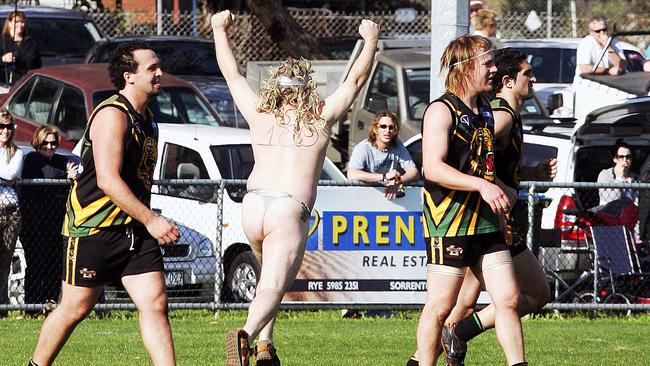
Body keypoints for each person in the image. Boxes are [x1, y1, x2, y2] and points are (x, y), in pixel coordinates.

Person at [212, 10, 378, 366]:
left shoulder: (259, 113)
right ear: (307, 88)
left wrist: (218, 29)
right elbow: (355, 80)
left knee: (266, 281)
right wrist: (371, 41)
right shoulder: (319, 116)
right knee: (274, 285)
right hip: (289, 207)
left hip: (253, 204)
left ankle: (265, 346)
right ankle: (245, 335)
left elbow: (230, 72)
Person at [28, 41, 180, 366]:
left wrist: (145, 222)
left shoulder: (147, 118)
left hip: (133, 230)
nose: (160, 73)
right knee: (75, 308)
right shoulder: (113, 114)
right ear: (129, 76)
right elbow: (107, 181)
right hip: (93, 230)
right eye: (152, 68)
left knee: (155, 302)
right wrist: (153, 219)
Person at [407, 48, 556, 366]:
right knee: (447, 305)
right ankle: (429, 354)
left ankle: (459, 339)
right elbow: (454, 166)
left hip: (489, 219)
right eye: (527, 73)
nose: (533, 78)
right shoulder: (493, 114)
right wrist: (494, 188)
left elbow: (487, 164)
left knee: (507, 299)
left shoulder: (488, 111)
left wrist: (527, 174)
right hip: (456, 218)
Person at [19, 126, 78, 309]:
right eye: (46, 142)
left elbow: (76, 163)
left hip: (56, 223)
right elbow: (46, 173)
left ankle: (50, 304)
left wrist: (73, 172)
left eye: (53, 143)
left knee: (55, 265)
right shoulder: (32, 159)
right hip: (34, 224)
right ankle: (33, 306)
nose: (50, 146)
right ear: (38, 142)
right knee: (37, 265)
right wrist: (66, 175)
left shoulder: (59, 160)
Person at [347, 111, 419, 200]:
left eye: (391, 127)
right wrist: (384, 177)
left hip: (388, 199)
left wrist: (398, 181)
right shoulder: (363, 147)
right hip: (364, 197)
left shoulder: (397, 145)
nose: (387, 131)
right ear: (375, 129)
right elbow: (351, 174)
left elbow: (414, 172)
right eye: (383, 126)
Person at [0, 109, 23, 316]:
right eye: (1, 126)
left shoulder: (17, 152)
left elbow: (11, 173)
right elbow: (6, 175)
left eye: (8, 126)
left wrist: (6, 177)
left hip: (10, 213)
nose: (5, 131)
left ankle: (2, 308)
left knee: (4, 262)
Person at [1, 10, 41, 84]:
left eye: (22, 22)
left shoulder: (32, 43)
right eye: (16, 22)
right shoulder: (2, 41)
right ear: (9, 23)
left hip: (24, 85)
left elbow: (37, 66)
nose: (20, 25)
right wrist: (3, 59)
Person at [597, 139, 638, 206]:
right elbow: (611, 200)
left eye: (628, 157)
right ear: (615, 159)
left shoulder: (636, 178)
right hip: (610, 213)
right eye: (621, 157)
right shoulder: (605, 175)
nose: (625, 160)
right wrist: (619, 178)